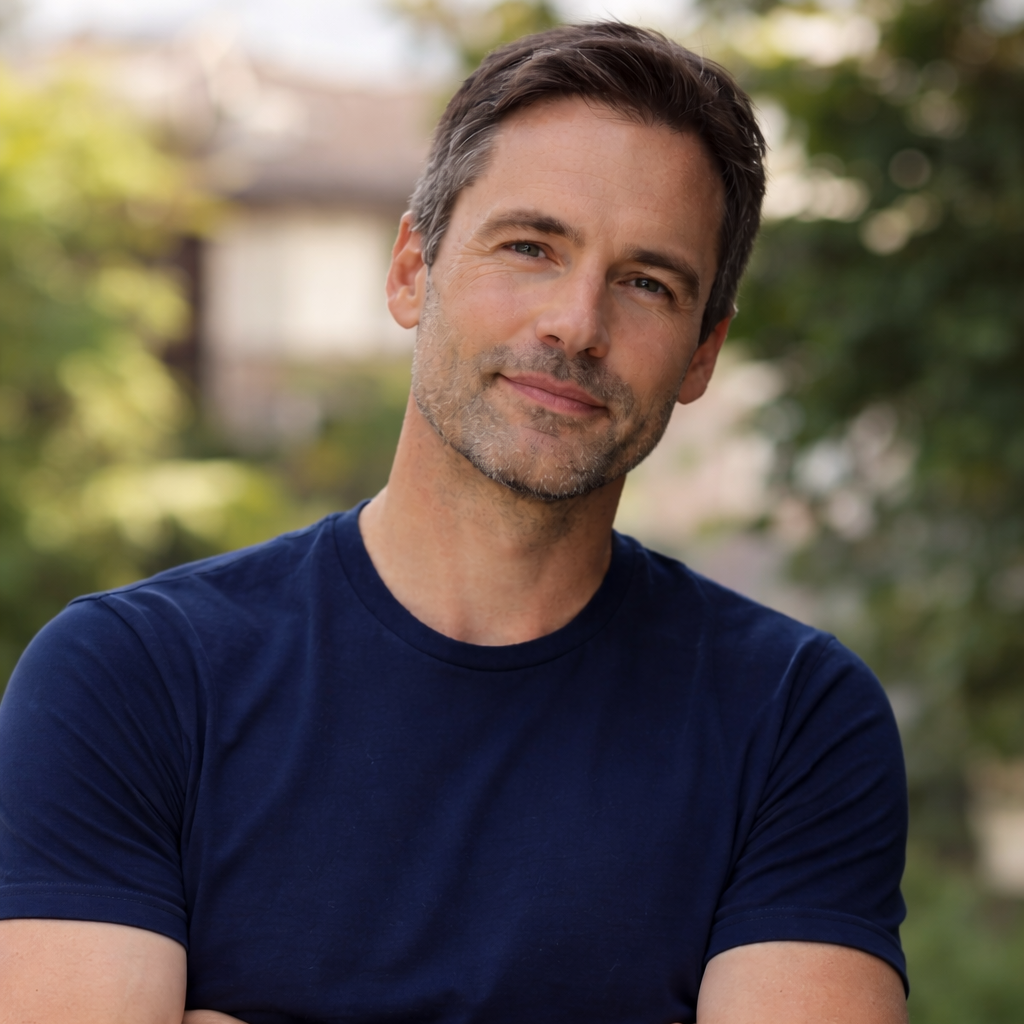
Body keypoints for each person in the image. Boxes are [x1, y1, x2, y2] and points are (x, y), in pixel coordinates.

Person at [0, 22, 909, 1024]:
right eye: (530, 247)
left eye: (648, 282)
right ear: (411, 271)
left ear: (701, 354)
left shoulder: (792, 720)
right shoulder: (130, 681)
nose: (575, 322)